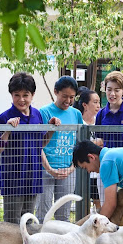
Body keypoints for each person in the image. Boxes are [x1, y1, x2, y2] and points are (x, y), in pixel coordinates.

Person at [0, 72, 58, 244]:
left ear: (32, 95)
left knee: (29, 226)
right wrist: (7, 130)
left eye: (26, 95)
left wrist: (52, 130)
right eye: (17, 95)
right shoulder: (4, 117)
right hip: (13, 179)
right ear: (11, 95)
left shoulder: (38, 115)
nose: (22, 99)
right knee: (12, 226)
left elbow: (41, 143)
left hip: (33, 178)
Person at [36, 76, 84, 221]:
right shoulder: (44, 112)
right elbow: (38, 145)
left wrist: (71, 168)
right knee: (42, 213)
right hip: (46, 170)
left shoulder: (76, 114)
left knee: (64, 215)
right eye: (64, 96)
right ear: (56, 92)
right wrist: (49, 169)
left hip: (68, 171)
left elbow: (79, 144)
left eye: (72, 97)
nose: (68, 101)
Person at [74, 86, 102, 211]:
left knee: (99, 202)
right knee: (83, 203)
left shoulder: (100, 122)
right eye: (95, 102)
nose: (98, 106)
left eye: (99, 102)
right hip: (82, 171)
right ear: (85, 105)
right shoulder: (78, 122)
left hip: (98, 172)